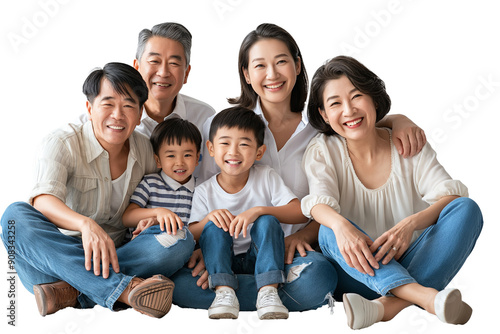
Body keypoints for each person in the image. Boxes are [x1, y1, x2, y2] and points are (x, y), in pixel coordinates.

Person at [172, 23, 426, 312]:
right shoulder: (225, 129)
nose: (272, 74)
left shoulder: (321, 129)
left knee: (320, 278)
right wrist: (208, 249)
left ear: (296, 65)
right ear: (246, 74)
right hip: (229, 249)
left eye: (281, 62)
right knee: (179, 282)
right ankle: (241, 288)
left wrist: (397, 119)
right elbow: (206, 197)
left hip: (297, 253)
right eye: (259, 66)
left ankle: (234, 291)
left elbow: (356, 128)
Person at [301, 55, 483, 329]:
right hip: (354, 271)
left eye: (357, 96)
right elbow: (318, 204)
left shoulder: (407, 143)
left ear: (373, 98)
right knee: (329, 228)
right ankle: (425, 296)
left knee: (468, 209)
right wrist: (341, 227)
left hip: (412, 260)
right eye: (335, 103)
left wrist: (411, 224)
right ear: (324, 115)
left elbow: (452, 199)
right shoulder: (323, 149)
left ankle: (385, 307)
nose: (349, 110)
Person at [0, 63, 195, 318]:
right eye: (108, 104)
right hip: (55, 258)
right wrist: (85, 225)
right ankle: (125, 289)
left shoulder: (146, 150)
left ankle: (69, 291)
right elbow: (43, 201)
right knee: (14, 218)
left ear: (139, 115)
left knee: (181, 238)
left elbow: (151, 197)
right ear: (89, 108)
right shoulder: (62, 142)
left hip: (119, 254)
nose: (117, 115)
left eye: (128, 106)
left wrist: (147, 219)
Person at [189, 107, 308, 320]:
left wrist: (258, 210)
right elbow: (191, 234)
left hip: (262, 259)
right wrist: (209, 219)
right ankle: (224, 291)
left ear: (259, 152)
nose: (233, 152)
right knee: (213, 226)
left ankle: (267, 291)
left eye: (244, 144)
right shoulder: (204, 190)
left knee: (267, 220)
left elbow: (300, 212)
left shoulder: (266, 176)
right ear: (211, 148)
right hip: (223, 263)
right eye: (225, 143)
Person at [122, 117, 202, 236]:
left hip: (185, 248)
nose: (179, 162)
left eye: (187, 155)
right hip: (151, 244)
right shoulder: (151, 183)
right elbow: (127, 218)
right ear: (158, 160)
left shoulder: (201, 188)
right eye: (171, 156)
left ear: (197, 158)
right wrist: (158, 212)